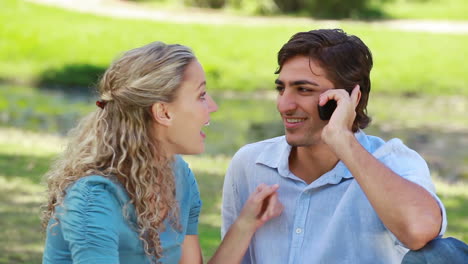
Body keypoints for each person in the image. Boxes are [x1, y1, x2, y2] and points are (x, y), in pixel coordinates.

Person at [221, 28, 461, 263]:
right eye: (281, 88)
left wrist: (341, 139)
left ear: (350, 99)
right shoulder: (250, 163)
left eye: (303, 89)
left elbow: (422, 233)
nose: (284, 105)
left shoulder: (395, 163)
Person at [41, 41, 283, 264]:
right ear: (163, 113)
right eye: (201, 95)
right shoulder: (93, 198)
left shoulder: (180, 176)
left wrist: (246, 224)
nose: (212, 106)